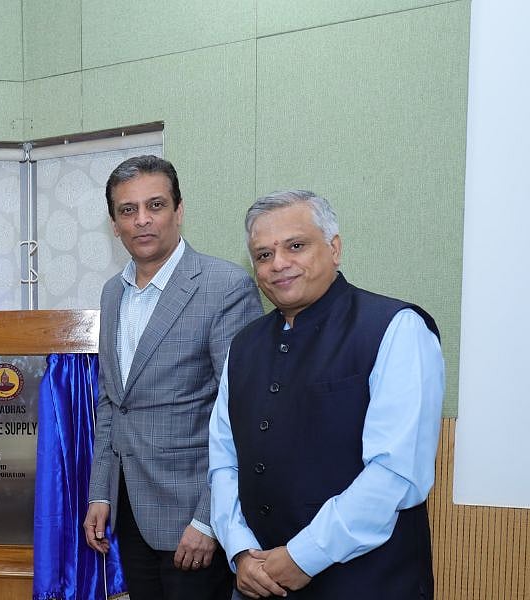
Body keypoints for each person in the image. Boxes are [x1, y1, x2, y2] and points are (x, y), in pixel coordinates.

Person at [209, 190, 444, 599]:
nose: (278, 264)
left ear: (334, 248)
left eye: (295, 246)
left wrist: (304, 555)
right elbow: (224, 462)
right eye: (263, 255)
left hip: (367, 582)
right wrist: (241, 550)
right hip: (257, 581)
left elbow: (394, 475)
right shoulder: (243, 346)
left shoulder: (396, 328)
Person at [82, 155, 262, 599]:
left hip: (194, 520)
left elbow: (242, 411)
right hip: (131, 511)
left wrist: (210, 519)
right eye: (128, 210)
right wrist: (100, 493)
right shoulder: (112, 292)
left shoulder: (224, 286)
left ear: (179, 211)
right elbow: (112, 400)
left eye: (156, 205)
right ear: (114, 222)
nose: (142, 220)